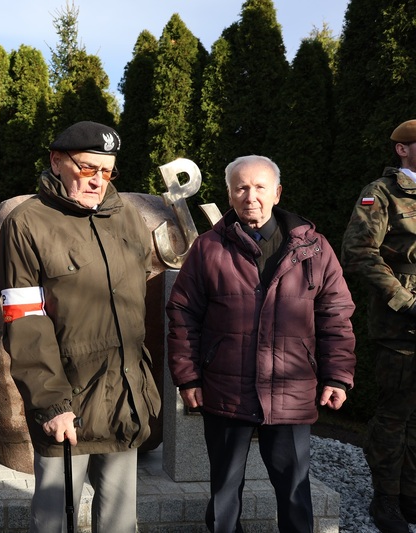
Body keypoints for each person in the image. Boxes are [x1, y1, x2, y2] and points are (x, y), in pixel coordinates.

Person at [166, 155, 356, 533]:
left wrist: (337, 376)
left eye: (259, 187)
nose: (250, 196)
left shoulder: (314, 248)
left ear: (277, 192)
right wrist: (188, 379)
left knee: (294, 491)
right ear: (229, 194)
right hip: (225, 388)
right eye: (240, 187)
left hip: (292, 390)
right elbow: (183, 315)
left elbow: (335, 315)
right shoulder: (207, 248)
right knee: (224, 493)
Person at [0, 120, 161, 533]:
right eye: (88, 168)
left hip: (124, 397)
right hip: (66, 402)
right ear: (56, 161)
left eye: (107, 171)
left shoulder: (128, 219)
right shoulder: (27, 223)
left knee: (121, 523)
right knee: (54, 519)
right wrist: (52, 404)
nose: (98, 181)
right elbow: (25, 319)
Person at [342, 119, 416, 533]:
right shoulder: (381, 193)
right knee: (395, 415)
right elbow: (358, 252)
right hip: (401, 326)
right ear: (402, 150)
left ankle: (411, 495)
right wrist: (406, 303)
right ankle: (385, 499)